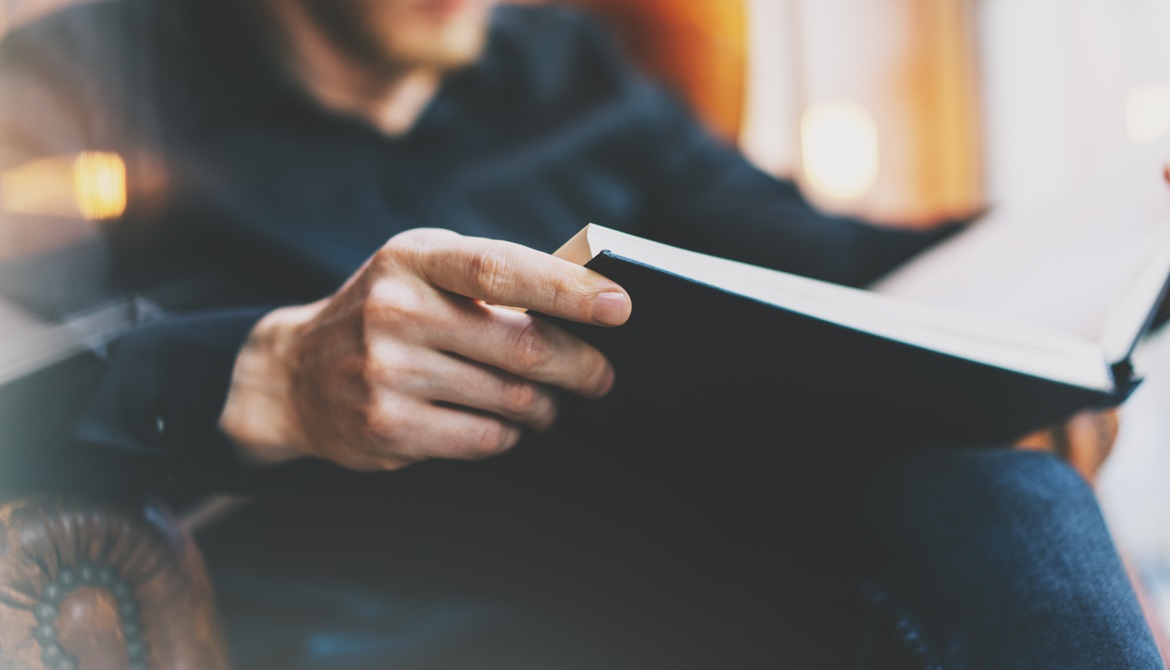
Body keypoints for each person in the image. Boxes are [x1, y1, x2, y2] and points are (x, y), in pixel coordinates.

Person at [0, 0, 1164, 667]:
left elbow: (826, 259)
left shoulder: (561, 70)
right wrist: (271, 374)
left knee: (996, 497)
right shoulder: (72, 87)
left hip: (690, 593)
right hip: (365, 628)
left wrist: (1094, 247)